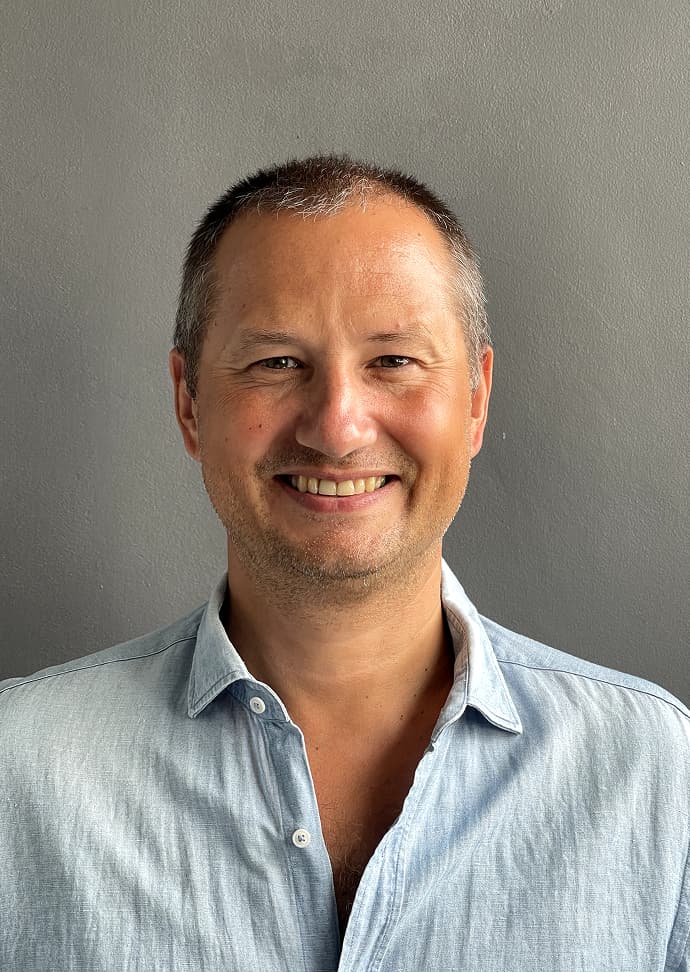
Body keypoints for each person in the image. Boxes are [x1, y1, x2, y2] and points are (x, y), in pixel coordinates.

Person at [1, 155, 688, 972]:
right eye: (276, 363)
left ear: (475, 399)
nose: (336, 427)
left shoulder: (657, 775)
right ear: (189, 403)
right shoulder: (19, 770)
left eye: (393, 361)